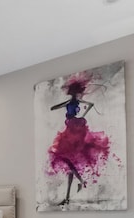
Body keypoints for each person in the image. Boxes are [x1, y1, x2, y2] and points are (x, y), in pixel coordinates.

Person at [47, 73, 111, 206]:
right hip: (72, 127)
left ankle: (81, 182)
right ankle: (68, 197)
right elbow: (53, 108)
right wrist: (77, 112)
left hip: (73, 129)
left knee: (65, 158)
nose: (74, 94)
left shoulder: (73, 102)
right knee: (69, 163)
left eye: (75, 93)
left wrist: (82, 115)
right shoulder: (72, 102)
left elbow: (90, 104)